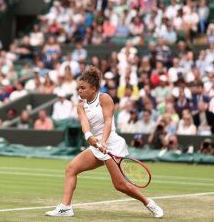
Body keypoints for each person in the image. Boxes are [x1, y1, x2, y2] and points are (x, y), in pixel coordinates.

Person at [46, 66, 163, 218]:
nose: (79, 91)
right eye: (78, 88)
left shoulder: (104, 98)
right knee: (71, 169)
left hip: (112, 144)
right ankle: (65, 208)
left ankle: (149, 203)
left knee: (120, 185)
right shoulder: (81, 105)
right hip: (96, 146)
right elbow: (84, 124)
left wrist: (103, 140)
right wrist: (90, 137)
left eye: (83, 88)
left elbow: (108, 121)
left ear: (93, 88)